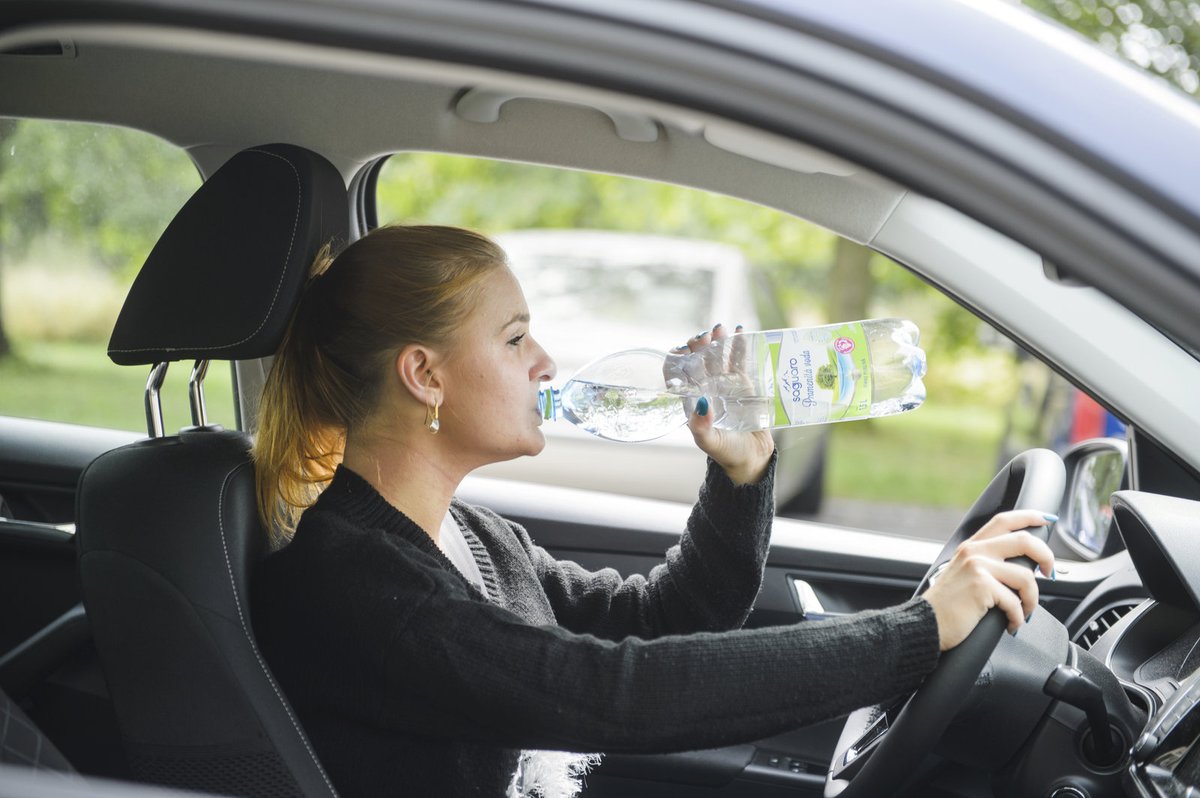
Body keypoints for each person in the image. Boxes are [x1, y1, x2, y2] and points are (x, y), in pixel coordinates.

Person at [250, 224, 1055, 798]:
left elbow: (662, 618)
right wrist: (921, 631)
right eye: (514, 338)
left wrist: (742, 475)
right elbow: (618, 694)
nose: (546, 363)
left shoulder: (471, 535)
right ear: (424, 374)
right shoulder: (362, 587)